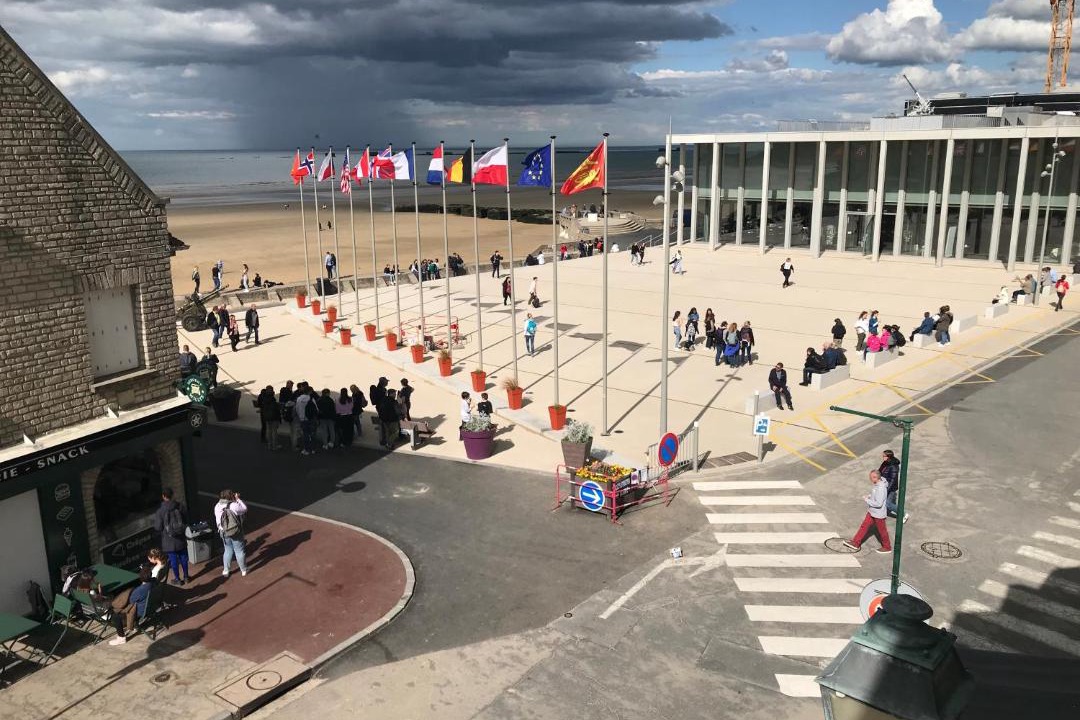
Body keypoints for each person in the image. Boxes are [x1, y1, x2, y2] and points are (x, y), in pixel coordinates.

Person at [843, 470, 892, 554]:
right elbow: (876, 496)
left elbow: (879, 503)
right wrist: (870, 496)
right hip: (872, 512)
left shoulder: (881, 488)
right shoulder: (878, 484)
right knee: (864, 526)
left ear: (876, 477)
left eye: (871, 477)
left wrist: (867, 500)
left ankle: (887, 547)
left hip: (878, 514)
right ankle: (855, 543)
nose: (870, 478)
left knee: (882, 531)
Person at [151, 488, 189, 586]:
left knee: (173, 560)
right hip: (180, 537)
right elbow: (185, 519)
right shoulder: (180, 506)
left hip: (168, 540)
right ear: (172, 495)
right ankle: (186, 577)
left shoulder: (160, 511)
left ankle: (177, 578)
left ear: (163, 496)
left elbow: (158, 527)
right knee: (184, 558)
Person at [107, 566, 154, 645]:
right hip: (151, 607)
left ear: (140, 577)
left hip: (140, 612)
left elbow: (131, 600)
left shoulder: (141, 589)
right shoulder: (153, 583)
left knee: (116, 616)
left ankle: (121, 637)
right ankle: (134, 625)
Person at [215, 489, 249, 577]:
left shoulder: (217, 506)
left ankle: (226, 570)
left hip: (223, 532)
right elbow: (244, 509)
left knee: (227, 550)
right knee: (239, 550)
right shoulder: (233, 505)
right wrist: (238, 499)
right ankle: (243, 570)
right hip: (235, 531)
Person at [879, 449, 907, 521]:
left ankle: (903, 514)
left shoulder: (893, 466)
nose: (883, 457)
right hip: (885, 485)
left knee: (887, 503)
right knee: (891, 501)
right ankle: (892, 503)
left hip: (891, 488)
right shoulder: (885, 463)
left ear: (889, 457)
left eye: (884, 456)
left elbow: (892, 480)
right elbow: (880, 471)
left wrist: (886, 490)